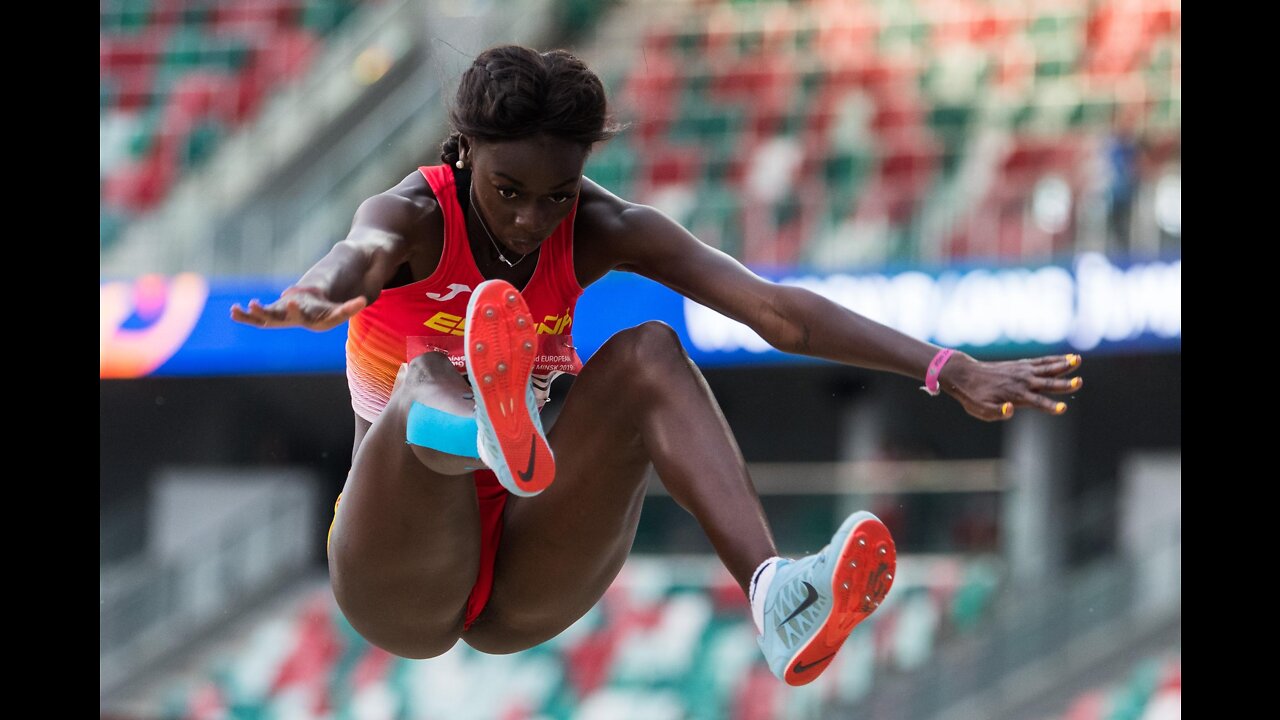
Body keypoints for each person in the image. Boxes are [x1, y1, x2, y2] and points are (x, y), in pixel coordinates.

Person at [231, 45, 1083, 686]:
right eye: (507, 190)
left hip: (530, 566)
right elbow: (358, 251)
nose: (531, 220)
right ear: (463, 154)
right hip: (396, 571)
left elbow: (774, 311)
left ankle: (773, 595)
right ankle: (483, 430)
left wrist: (946, 367)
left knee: (649, 351)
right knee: (425, 378)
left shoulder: (601, 227)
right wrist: (317, 294)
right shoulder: (412, 215)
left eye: (556, 194)